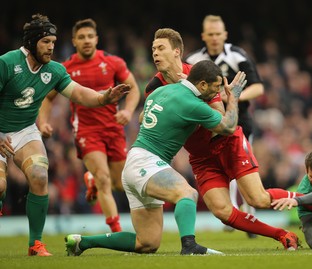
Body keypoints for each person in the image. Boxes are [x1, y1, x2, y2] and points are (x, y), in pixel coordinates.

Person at [143, 28, 312, 251]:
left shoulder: (198, 75)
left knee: (257, 199)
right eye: (153, 49)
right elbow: (148, 117)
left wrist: (189, 97)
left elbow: (220, 116)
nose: (155, 53)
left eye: (160, 48)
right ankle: (283, 235)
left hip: (227, 143)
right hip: (201, 157)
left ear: (176, 52)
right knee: (222, 211)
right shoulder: (154, 87)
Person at [64, 59, 247, 256]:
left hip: (135, 162)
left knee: (147, 243)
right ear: (202, 85)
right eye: (216, 86)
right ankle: (190, 246)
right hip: (148, 163)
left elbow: (142, 117)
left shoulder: (162, 90)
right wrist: (234, 97)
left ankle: (82, 242)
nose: (218, 92)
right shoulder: (192, 104)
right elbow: (228, 127)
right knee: (187, 193)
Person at [0, 14, 131, 256]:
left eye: (53, 41)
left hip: (25, 129)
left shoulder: (55, 70)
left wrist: (104, 97)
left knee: (39, 174)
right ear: (31, 43)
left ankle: (35, 244)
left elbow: (79, 93)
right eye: (45, 42)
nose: (51, 47)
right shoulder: (7, 63)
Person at [38, 18, 140, 232]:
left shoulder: (113, 63)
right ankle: (116, 231)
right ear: (74, 41)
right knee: (105, 179)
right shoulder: (66, 68)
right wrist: (43, 122)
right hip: (86, 131)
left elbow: (133, 87)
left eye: (90, 36)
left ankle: (91, 179)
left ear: (96, 39)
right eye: (81, 37)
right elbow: (48, 97)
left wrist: (128, 111)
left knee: (120, 184)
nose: (86, 41)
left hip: (113, 129)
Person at [185, 15, 264, 238]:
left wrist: (233, 99)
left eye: (218, 33)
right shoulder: (193, 60)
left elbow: (258, 88)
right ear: (203, 36)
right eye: (210, 34)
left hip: (240, 120)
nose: (214, 38)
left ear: (225, 35)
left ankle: (249, 211)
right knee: (221, 166)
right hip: (210, 122)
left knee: (243, 165)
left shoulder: (238, 56)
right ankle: (233, 213)